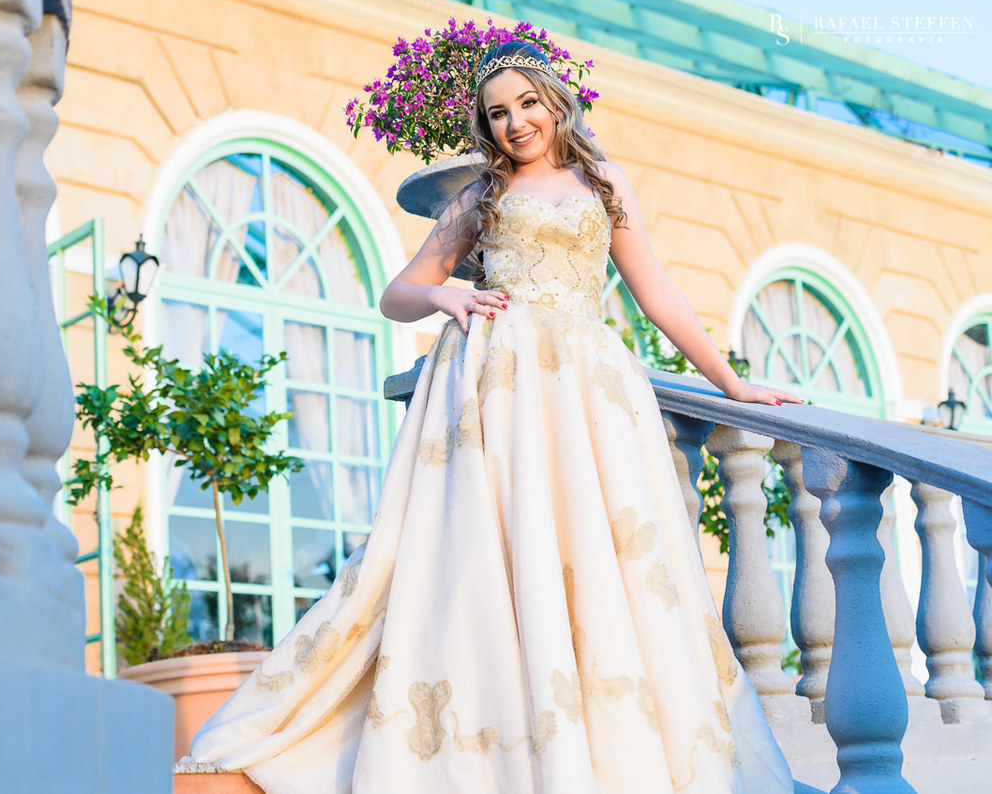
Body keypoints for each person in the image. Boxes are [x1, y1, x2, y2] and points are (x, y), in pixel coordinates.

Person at [184, 40, 801, 793]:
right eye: (497, 113)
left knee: (592, 555)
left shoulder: (604, 183)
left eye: (527, 104)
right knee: (496, 552)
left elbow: (657, 294)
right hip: (498, 388)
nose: (515, 124)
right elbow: (400, 292)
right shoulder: (482, 196)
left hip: (585, 392)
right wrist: (447, 296)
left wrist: (732, 384)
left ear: (554, 101)